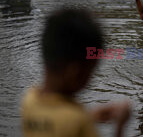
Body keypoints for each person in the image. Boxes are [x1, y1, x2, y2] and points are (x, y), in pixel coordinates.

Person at [21, 8, 130, 137]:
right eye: (91, 70)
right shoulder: (80, 122)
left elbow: (56, 126)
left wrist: (90, 117)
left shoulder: (30, 99)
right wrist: (120, 125)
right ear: (75, 73)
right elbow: (73, 123)